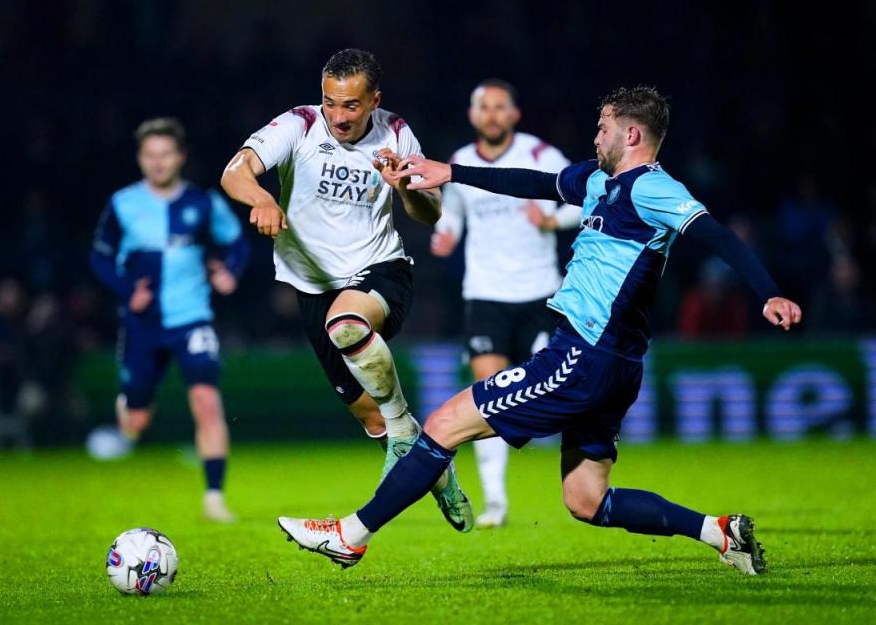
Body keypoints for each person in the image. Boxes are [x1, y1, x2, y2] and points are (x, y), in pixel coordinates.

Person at [278, 86, 803, 575]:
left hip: (585, 354)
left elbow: (715, 234)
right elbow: (531, 183)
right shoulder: (601, 181)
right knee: (586, 500)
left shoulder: (654, 188)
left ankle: (351, 534)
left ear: (632, 135)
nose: (595, 137)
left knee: (442, 423)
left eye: (603, 128)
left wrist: (769, 292)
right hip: (614, 363)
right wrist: (452, 173)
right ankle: (721, 534)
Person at [220, 48, 473, 531]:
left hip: (379, 269)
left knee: (348, 325)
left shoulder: (396, 133)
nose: (338, 115)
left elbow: (430, 212)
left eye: (351, 105)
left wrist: (403, 187)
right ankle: (440, 475)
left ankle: (401, 425)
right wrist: (262, 197)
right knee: (371, 418)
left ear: (374, 100)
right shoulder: (298, 123)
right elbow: (235, 172)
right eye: (330, 102)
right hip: (312, 286)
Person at [432, 79, 581, 528]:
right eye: (484, 107)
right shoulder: (459, 162)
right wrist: (447, 232)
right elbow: (455, 213)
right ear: (473, 115)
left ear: (515, 114)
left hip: (540, 292)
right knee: (487, 392)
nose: (492, 114)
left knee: (559, 390)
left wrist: (552, 218)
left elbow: (584, 198)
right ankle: (495, 500)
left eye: (500, 107)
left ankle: (584, 483)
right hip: (486, 293)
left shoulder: (540, 156)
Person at [90, 117, 249, 522]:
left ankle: (214, 496)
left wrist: (230, 271)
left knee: (206, 400)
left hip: (192, 318)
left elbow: (236, 241)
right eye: (150, 155)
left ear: (179, 157)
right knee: (136, 420)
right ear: (141, 159)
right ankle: (128, 415)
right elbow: (100, 257)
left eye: (165, 154)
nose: (158, 163)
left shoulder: (202, 202)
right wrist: (128, 291)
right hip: (142, 325)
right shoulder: (122, 203)